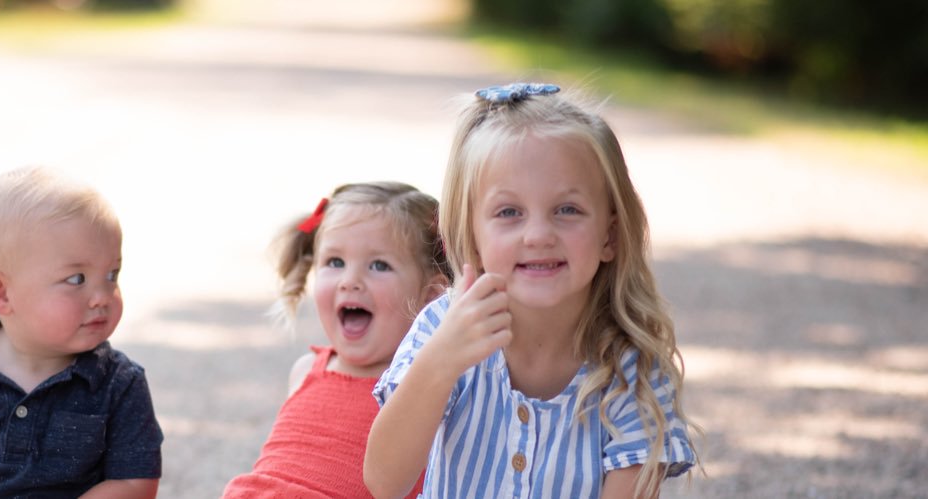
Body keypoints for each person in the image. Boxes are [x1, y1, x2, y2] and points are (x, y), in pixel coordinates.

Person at [364, 83, 699, 499]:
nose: (539, 235)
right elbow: (384, 482)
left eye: (567, 210)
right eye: (509, 212)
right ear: (472, 235)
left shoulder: (632, 369)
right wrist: (442, 360)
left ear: (610, 235)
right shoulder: (443, 328)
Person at [0, 166, 162, 499]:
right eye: (77, 279)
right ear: (1, 292)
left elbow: (136, 483)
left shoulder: (118, 383)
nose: (102, 297)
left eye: (112, 274)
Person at [223, 181, 452, 498]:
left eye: (378, 265)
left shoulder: (429, 385)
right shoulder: (306, 370)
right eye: (334, 262)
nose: (350, 281)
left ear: (430, 296)